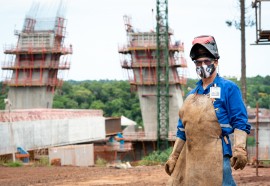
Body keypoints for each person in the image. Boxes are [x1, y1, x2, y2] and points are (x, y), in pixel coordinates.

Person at [165, 35, 251, 186]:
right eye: (198, 62)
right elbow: (182, 131)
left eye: (206, 61)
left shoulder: (228, 88)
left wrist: (239, 149)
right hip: (192, 160)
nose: (202, 65)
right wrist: (174, 156)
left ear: (215, 62)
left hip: (217, 157)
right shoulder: (191, 96)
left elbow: (240, 122)